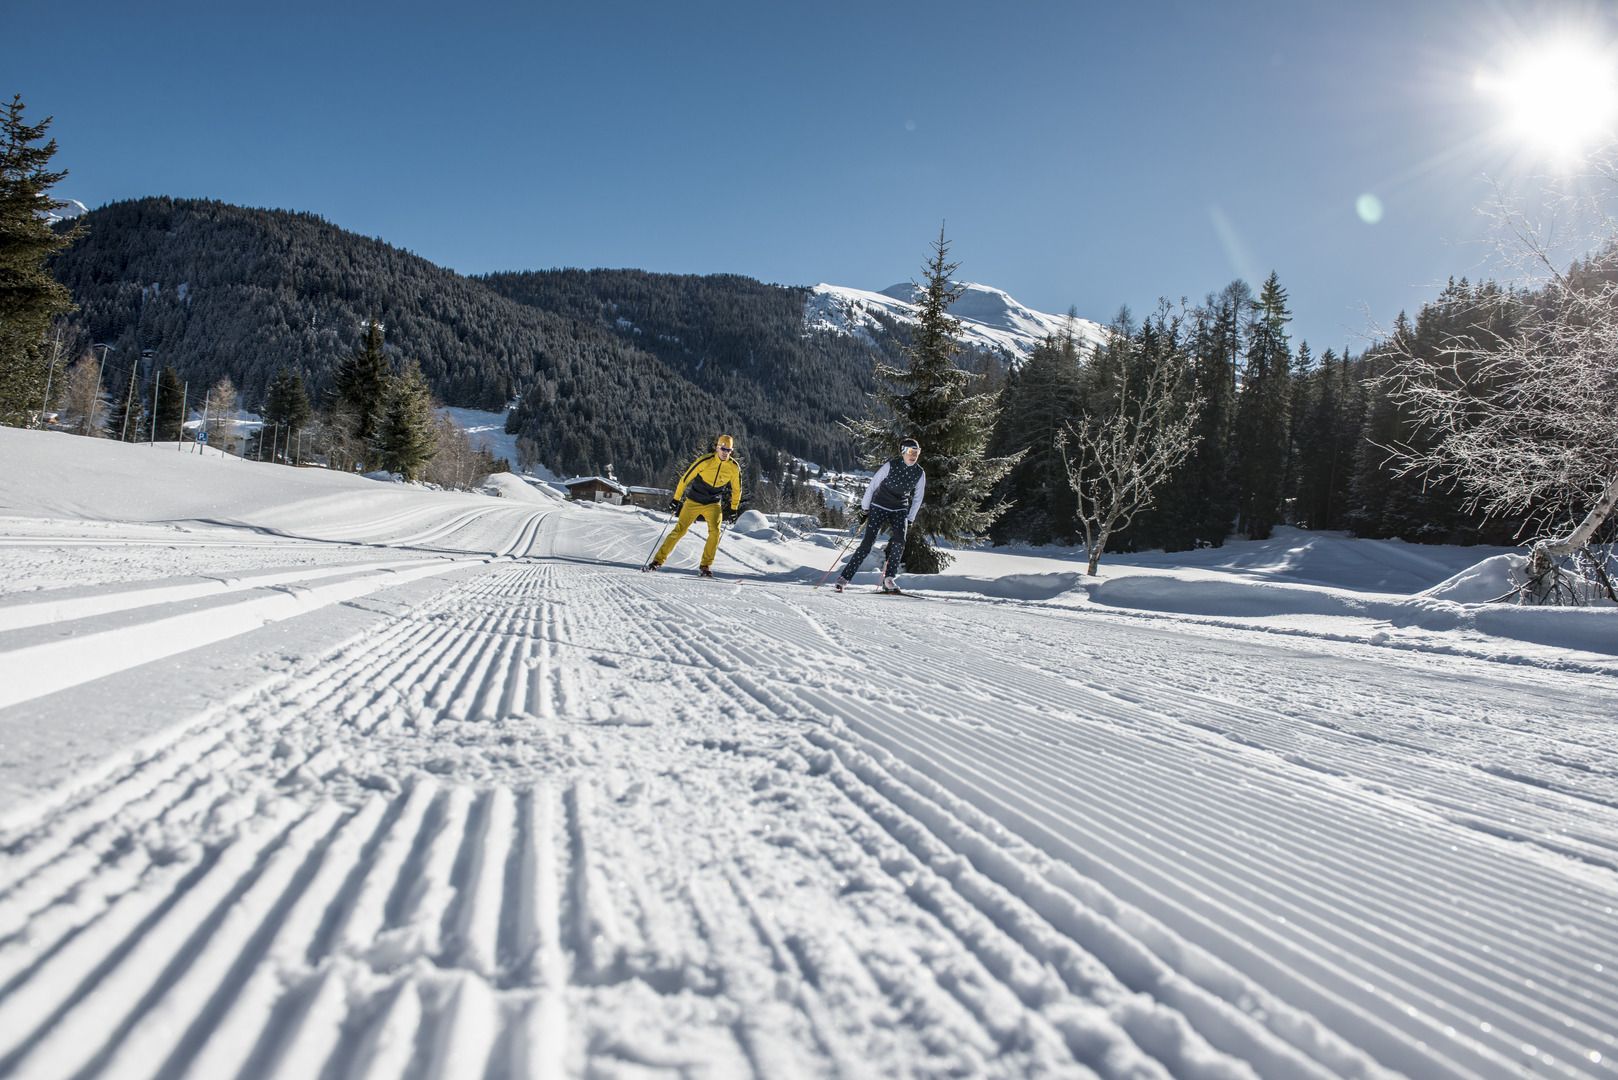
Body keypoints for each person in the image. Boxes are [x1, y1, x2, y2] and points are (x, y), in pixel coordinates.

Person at [646, 434, 743, 576]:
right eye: (723, 449)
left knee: (715, 532)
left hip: (713, 502)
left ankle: (705, 566)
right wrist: (676, 499)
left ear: (731, 451)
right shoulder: (705, 461)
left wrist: (734, 509)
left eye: (728, 450)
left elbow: (737, 489)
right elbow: (685, 478)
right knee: (679, 530)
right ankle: (657, 561)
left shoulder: (734, 467)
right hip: (694, 500)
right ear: (717, 448)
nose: (725, 452)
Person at [837, 437, 925, 593]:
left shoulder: (919, 473)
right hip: (880, 505)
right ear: (903, 452)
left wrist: (910, 518)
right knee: (867, 544)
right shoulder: (890, 466)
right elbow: (872, 486)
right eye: (911, 451)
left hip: (899, 509)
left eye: (917, 452)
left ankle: (889, 579)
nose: (914, 455)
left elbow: (918, 498)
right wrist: (865, 509)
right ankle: (845, 578)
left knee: (899, 541)